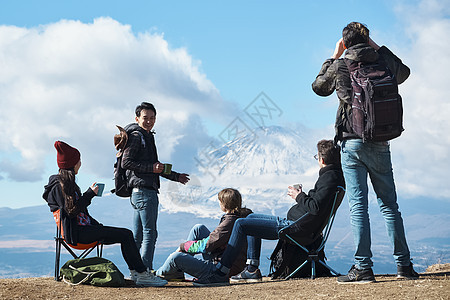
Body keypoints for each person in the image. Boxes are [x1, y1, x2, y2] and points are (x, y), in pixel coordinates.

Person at [312, 22, 418, 283]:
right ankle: (404, 266)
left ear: (345, 43)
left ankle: (363, 268)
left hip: (352, 143)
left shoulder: (341, 65)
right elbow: (404, 73)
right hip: (381, 141)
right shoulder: (382, 61)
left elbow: (318, 87)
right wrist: (376, 46)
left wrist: (335, 55)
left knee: (358, 206)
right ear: (367, 40)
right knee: (390, 206)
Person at [193, 139, 345, 286]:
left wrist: (298, 195)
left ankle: (220, 272)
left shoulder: (329, 178)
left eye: (316, 157)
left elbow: (315, 207)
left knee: (240, 223)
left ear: (322, 160)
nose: (317, 160)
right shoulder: (333, 177)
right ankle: (251, 269)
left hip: (296, 228)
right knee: (249, 217)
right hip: (301, 225)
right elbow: (317, 206)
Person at [43, 141, 167, 287]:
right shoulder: (59, 186)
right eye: (78, 161)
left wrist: (97, 225)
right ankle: (141, 274)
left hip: (83, 230)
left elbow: (78, 212)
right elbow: (71, 212)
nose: (80, 164)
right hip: (77, 235)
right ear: (72, 164)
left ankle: (138, 274)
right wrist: (89, 194)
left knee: (125, 235)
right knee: (126, 235)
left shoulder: (65, 184)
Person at [121, 102, 190, 277]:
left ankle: (135, 272)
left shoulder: (146, 136)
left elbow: (156, 167)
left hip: (138, 193)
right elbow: (126, 162)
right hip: (144, 192)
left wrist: (175, 176)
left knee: (137, 236)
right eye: (145, 118)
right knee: (150, 233)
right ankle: (144, 272)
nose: (149, 121)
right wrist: (151, 168)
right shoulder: (138, 136)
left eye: (152, 118)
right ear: (137, 119)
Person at [155, 188, 253, 281]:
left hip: (220, 268)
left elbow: (207, 245)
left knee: (175, 257)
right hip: (225, 259)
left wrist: (183, 246)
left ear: (224, 204)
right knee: (198, 229)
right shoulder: (239, 218)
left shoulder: (230, 222)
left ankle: (158, 273)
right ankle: (177, 272)